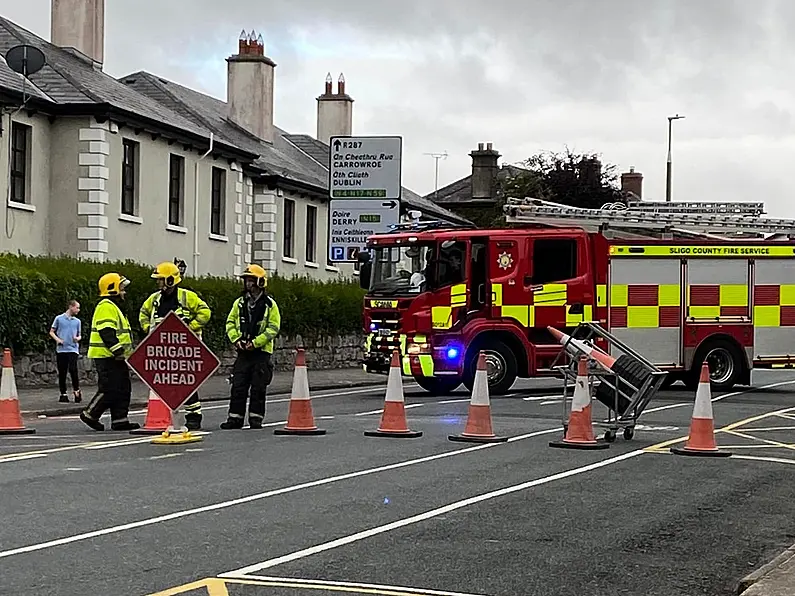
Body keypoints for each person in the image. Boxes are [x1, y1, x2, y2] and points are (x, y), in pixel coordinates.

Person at [139, 261, 211, 430]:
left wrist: (190, 328)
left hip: (184, 349)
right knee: (166, 384)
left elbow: (205, 312)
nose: (158, 283)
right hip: (162, 349)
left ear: (170, 280)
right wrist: (148, 330)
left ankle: (194, 416)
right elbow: (143, 313)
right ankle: (168, 418)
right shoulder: (155, 299)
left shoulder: (187, 296)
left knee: (186, 383)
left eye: (160, 279)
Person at [221, 264, 281, 430]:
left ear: (260, 282)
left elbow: (273, 328)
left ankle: (256, 418)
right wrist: (237, 340)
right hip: (243, 351)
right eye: (247, 280)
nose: (248, 284)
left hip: (261, 353)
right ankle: (235, 419)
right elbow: (230, 323)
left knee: (258, 387)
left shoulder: (270, 305)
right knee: (238, 386)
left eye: (251, 280)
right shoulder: (239, 303)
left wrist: (255, 343)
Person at [80, 273, 140, 432]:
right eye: (121, 288)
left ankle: (120, 419)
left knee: (123, 388)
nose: (124, 292)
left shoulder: (113, 307)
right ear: (112, 289)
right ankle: (90, 414)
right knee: (110, 388)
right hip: (107, 357)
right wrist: (117, 351)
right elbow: (106, 332)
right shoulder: (105, 306)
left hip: (116, 357)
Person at [50, 299, 82, 404]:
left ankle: (76, 391)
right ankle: (63, 393)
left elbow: (79, 334)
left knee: (73, 369)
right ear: (71, 307)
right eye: (77, 307)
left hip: (73, 348)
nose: (78, 310)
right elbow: (52, 332)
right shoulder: (59, 319)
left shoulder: (77, 321)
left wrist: (78, 338)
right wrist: (58, 340)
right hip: (61, 349)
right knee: (62, 371)